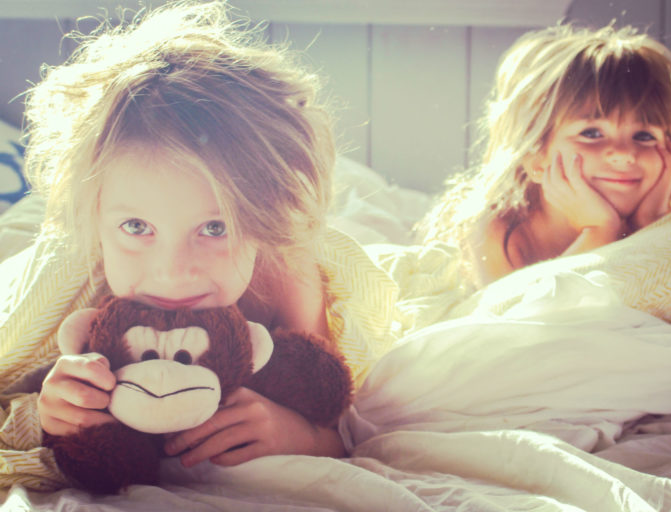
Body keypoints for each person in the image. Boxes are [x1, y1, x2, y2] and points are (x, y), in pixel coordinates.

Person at [0, 0, 397, 490]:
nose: (172, 272)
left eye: (215, 228)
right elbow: (13, 377)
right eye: (137, 227)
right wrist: (53, 414)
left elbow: (335, 412)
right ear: (98, 220)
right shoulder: (80, 269)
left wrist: (300, 434)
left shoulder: (284, 268)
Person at [418, 23, 671, 287]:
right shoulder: (499, 230)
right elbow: (517, 319)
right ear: (536, 158)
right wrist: (600, 231)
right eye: (591, 133)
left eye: (644, 136)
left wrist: (649, 222)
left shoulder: (670, 218)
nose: (625, 155)